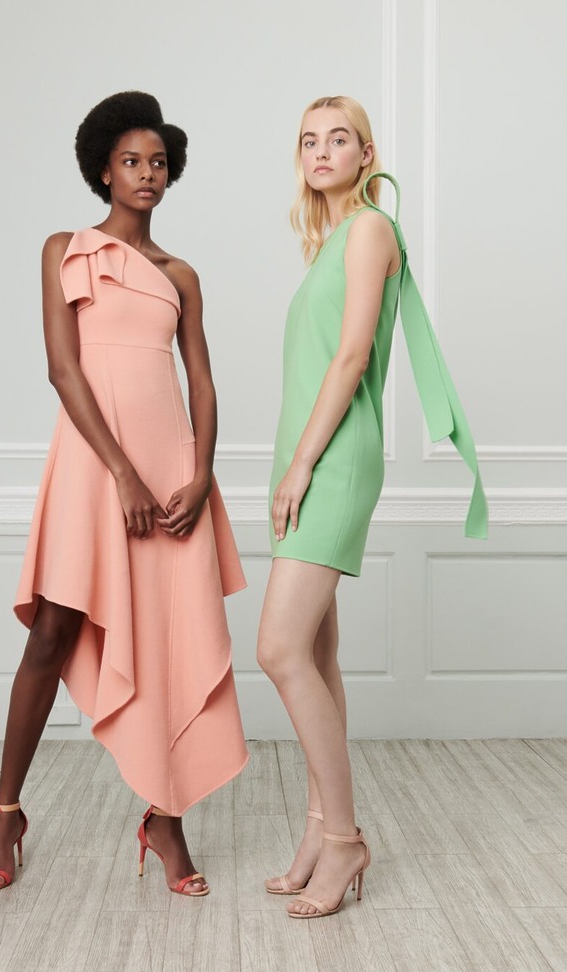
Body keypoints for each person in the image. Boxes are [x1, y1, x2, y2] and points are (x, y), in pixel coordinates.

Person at [0, 91, 248, 897]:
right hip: (97, 464)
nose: (147, 173)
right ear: (103, 170)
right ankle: (5, 813)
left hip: (173, 472)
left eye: (158, 162)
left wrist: (200, 474)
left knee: (169, 636)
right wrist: (123, 471)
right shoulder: (66, 249)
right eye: (131, 161)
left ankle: (166, 818)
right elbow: (63, 370)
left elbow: (202, 382)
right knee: (53, 629)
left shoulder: (179, 274)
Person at [257, 95, 487, 919]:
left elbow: (353, 357)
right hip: (307, 455)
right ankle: (319, 831)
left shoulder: (368, 230)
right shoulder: (328, 244)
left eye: (338, 139)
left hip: (333, 459)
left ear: (367, 153)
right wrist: (290, 460)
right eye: (308, 140)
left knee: (278, 649)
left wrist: (303, 465)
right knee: (316, 654)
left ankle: (348, 838)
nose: (321, 151)